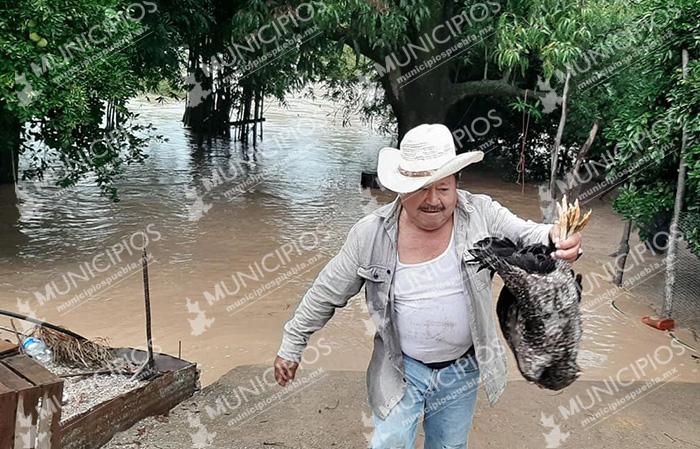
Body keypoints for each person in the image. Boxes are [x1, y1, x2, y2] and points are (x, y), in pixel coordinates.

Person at [273, 124, 583, 449]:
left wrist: (559, 238)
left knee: (448, 446)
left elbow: (531, 234)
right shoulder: (370, 235)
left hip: (461, 368)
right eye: (421, 188)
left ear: (456, 185)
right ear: (401, 188)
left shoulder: (482, 214)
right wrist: (291, 346)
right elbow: (325, 293)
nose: (432, 200)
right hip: (400, 367)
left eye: (443, 188)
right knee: (390, 443)